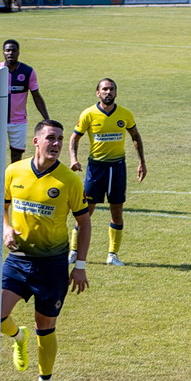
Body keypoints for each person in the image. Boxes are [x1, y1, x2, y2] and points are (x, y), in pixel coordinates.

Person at [2, 120, 91, 381]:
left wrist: (79, 265)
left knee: (46, 327)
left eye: (60, 139)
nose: (56, 144)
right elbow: (3, 204)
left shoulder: (69, 180)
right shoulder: (14, 171)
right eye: (50, 138)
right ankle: (18, 336)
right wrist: (6, 228)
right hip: (17, 260)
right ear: (36, 141)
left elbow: (84, 221)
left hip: (52, 265)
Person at [68, 78, 147, 266]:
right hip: (96, 169)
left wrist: (142, 162)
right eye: (104, 89)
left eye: (111, 89)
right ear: (98, 93)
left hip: (118, 168)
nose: (108, 92)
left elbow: (135, 136)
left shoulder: (125, 114)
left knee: (117, 211)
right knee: (85, 212)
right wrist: (73, 158)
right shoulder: (88, 114)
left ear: (116, 93)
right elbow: (74, 138)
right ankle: (73, 251)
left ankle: (112, 254)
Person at [0, 39, 50, 163]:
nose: (10, 53)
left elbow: (36, 95)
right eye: (8, 50)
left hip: (19, 122)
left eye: (13, 50)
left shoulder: (27, 71)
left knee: (16, 156)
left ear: (18, 52)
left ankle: (12, 181)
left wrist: (46, 118)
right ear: (3, 52)